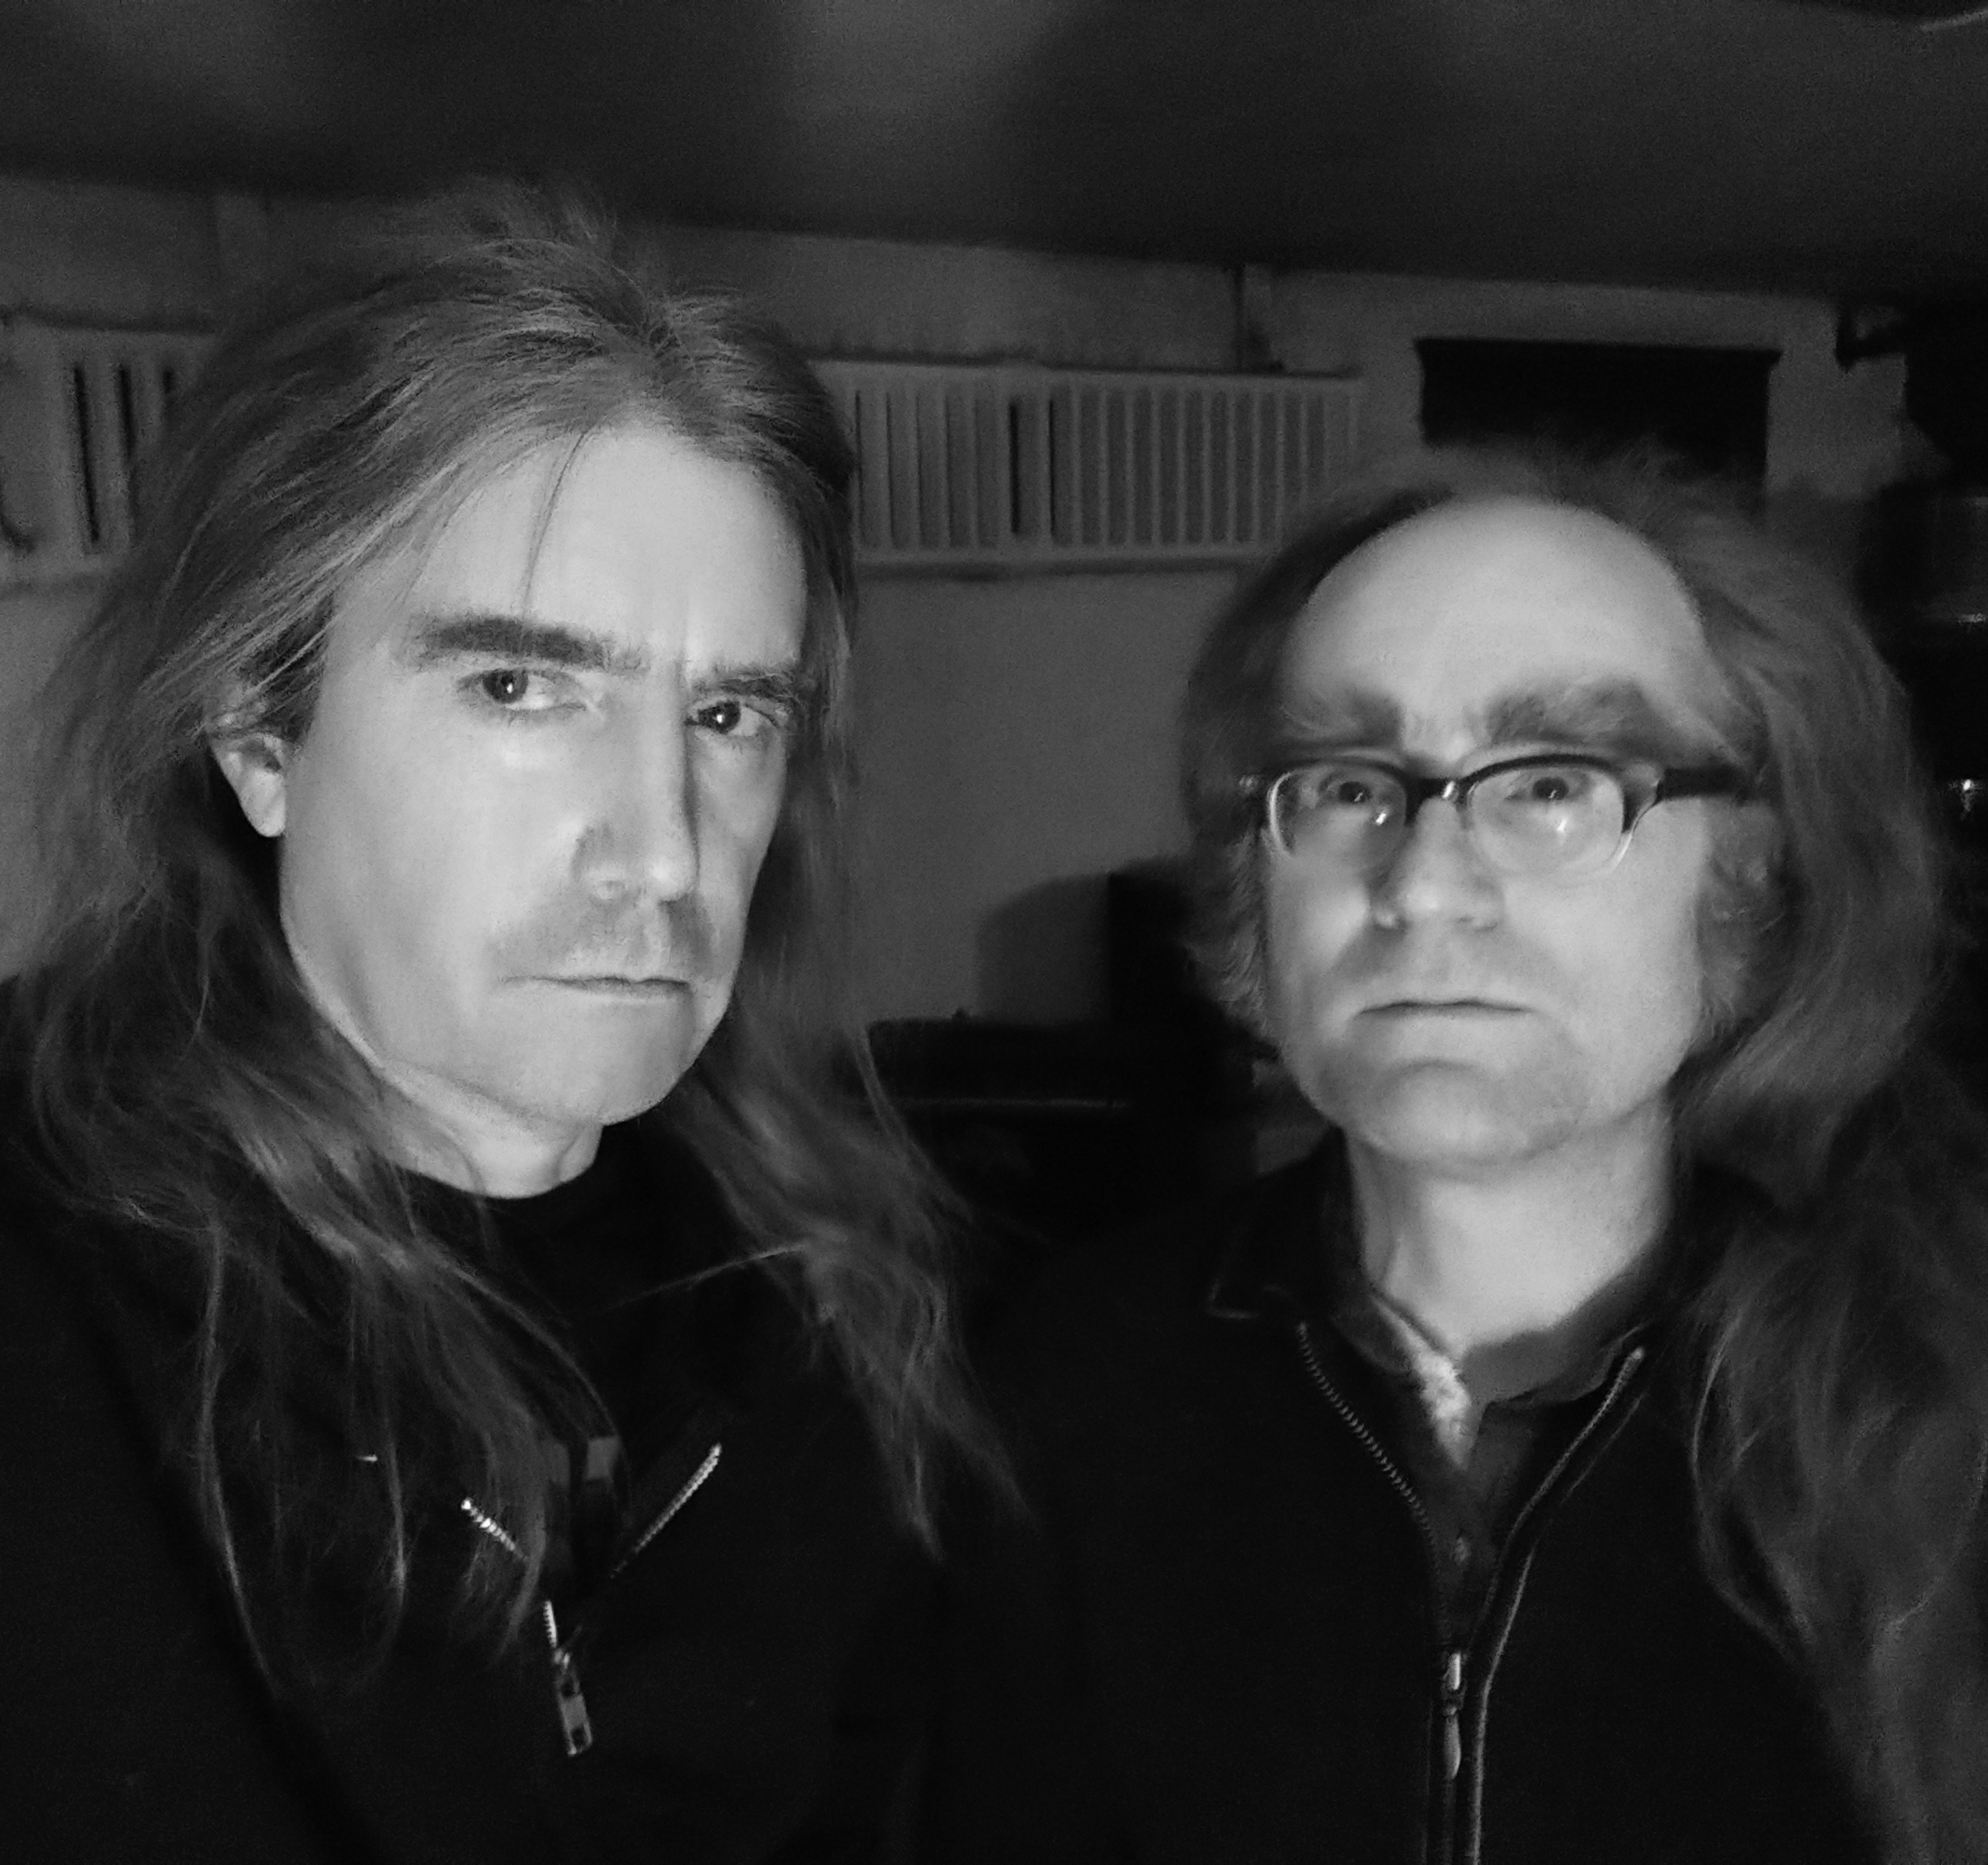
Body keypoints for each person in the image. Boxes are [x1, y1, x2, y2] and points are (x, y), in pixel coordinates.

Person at [0, 184, 987, 1863]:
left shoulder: (820, 1310)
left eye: (728, 714)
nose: (662, 849)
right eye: (519, 688)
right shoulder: (50, 1294)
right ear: (257, 732)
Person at [920, 448, 1988, 1865]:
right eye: (1346, 785)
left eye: (1549, 784)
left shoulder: (1945, 1418)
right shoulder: (1065, 1387)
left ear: (1756, 873)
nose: (1423, 885)